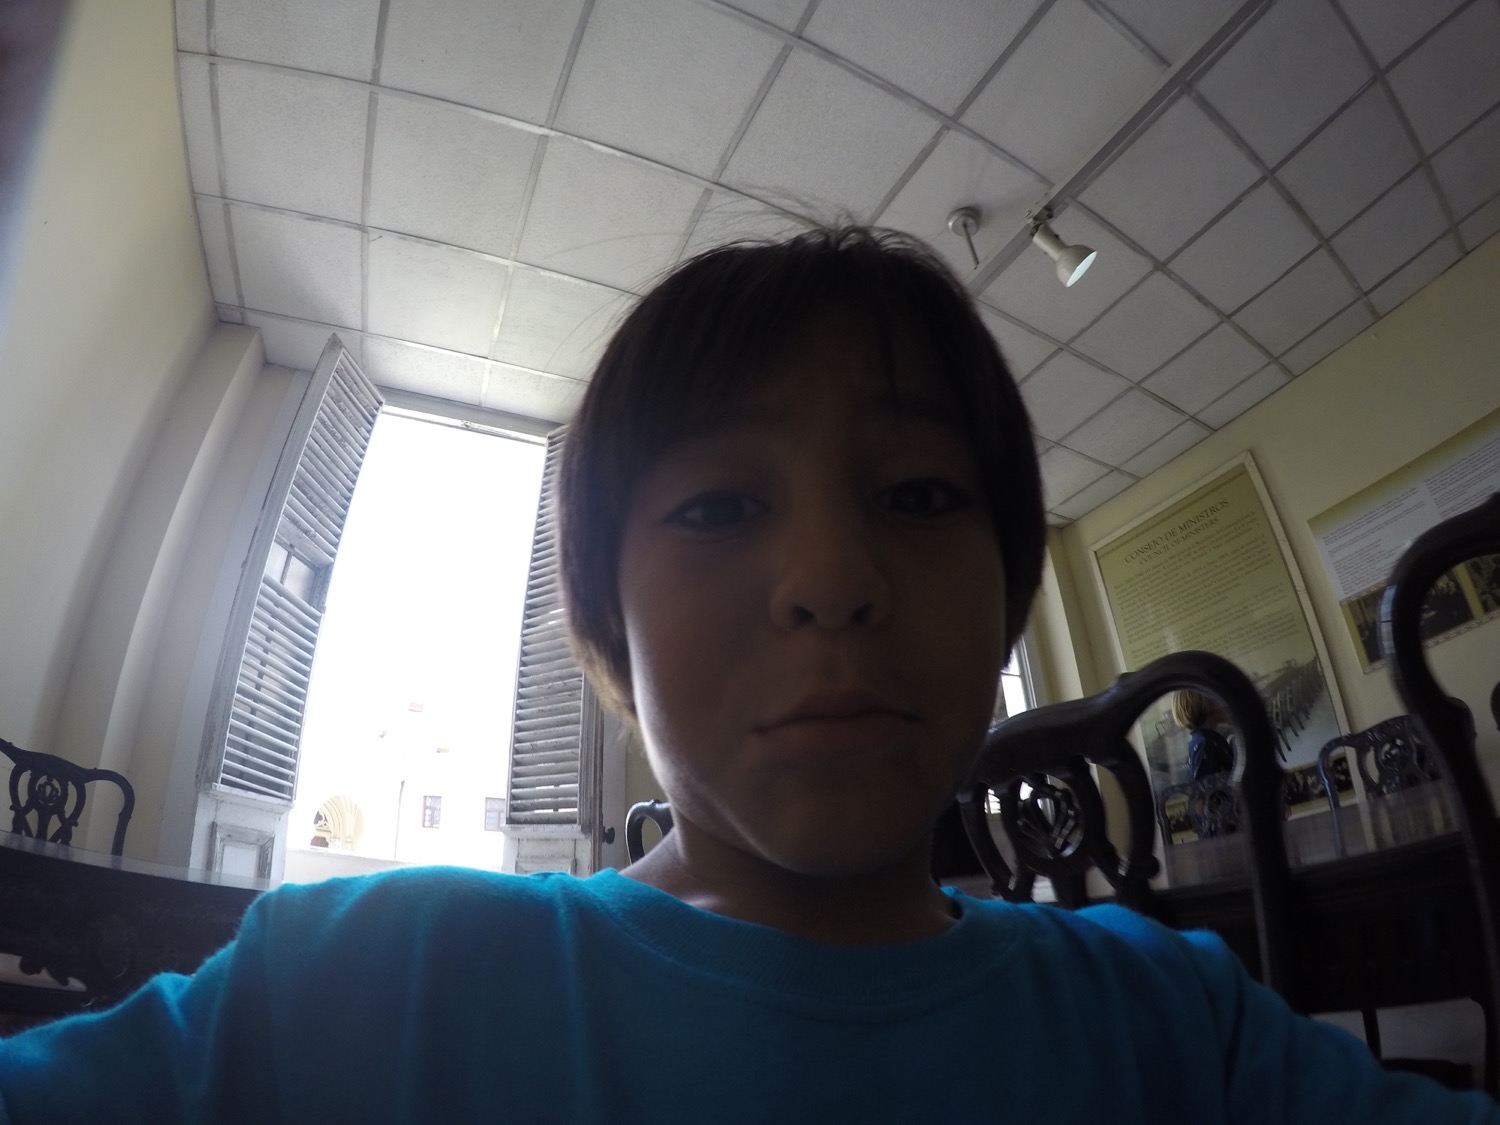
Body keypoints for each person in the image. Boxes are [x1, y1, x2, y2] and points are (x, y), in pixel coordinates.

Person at [0, 227, 1494, 1123]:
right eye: (719, 505)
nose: (831, 577)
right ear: (607, 626)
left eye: (919, 495)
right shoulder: (374, 983)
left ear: (1007, 603)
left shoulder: (1175, 1024)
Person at [1173, 688, 1236, 781]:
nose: (1226, 703)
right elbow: (1206, 787)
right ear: (1208, 704)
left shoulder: (1206, 739)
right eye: (1220, 698)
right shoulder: (1205, 744)